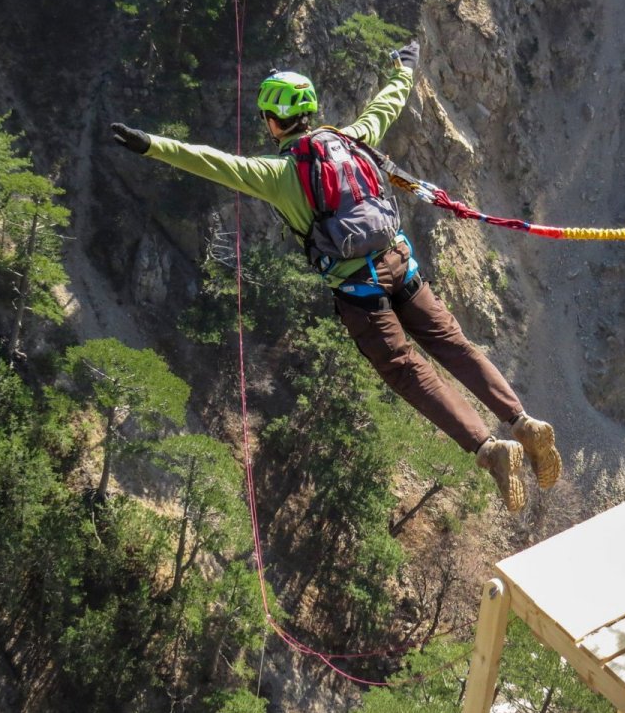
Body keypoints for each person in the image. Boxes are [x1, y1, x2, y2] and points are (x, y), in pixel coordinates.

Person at [110, 41, 560, 512]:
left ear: (271, 120)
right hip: (401, 264)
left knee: (406, 370)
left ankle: (490, 450)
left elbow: (212, 162)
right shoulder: (353, 138)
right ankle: (521, 421)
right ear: (309, 112)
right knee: (455, 346)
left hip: (360, 291)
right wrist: (406, 66)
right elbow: (387, 103)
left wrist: (150, 145)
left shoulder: (278, 174)